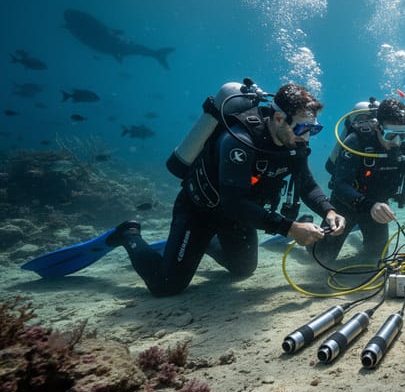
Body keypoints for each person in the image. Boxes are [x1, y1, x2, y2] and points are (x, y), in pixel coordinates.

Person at [105, 83, 346, 296]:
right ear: (279, 118)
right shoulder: (239, 140)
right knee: (166, 285)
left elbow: (307, 184)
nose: (307, 137)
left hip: (241, 215)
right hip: (200, 211)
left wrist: (329, 211)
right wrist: (290, 228)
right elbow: (234, 202)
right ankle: (129, 234)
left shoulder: (295, 145)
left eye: (314, 129)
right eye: (302, 128)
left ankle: (203, 244)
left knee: (243, 269)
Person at [312, 96, 405, 261]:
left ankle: (358, 234)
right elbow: (340, 184)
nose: (397, 142)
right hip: (346, 205)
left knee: (376, 259)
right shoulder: (356, 140)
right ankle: (310, 238)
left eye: (403, 135)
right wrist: (369, 205)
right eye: (391, 135)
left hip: (378, 209)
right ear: (378, 127)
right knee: (321, 258)